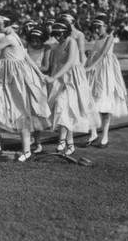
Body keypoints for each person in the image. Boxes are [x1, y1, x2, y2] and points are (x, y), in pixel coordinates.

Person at [0, 13, 51, 163]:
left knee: (20, 111)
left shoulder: (10, 38)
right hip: (4, 79)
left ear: (8, 23)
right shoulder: (14, 37)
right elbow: (26, 56)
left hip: (16, 80)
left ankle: (27, 150)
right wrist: (39, 74)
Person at [46, 18, 100, 156]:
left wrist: (54, 77)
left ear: (66, 32)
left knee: (64, 106)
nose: (57, 36)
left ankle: (62, 141)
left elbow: (70, 62)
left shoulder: (71, 42)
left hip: (73, 78)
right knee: (63, 109)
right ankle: (69, 144)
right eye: (55, 33)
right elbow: (53, 62)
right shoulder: (57, 45)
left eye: (60, 33)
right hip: (60, 78)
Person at [84, 16, 128, 148]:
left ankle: (105, 136)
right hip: (94, 72)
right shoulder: (97, 39)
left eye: (99, 27)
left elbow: (103, 54)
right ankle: (93, 134)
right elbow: (93, 55)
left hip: (105, 72)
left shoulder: (109, 38)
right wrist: (87, 67)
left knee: (104, 103)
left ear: (106, 26)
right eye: (95, 27)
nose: (97, 29)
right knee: (91, 102)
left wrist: (92, 66)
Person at [26, 26, 51, 154]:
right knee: (27, 111)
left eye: (37, 41)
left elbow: (46, 67)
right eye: (32, 41)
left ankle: (38, 142)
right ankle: (29, 140)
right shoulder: (28, 47)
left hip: (38, 82)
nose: (35, 43)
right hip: (26, 81)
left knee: (37, 111)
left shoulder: (46, 48)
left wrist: (30, 67)